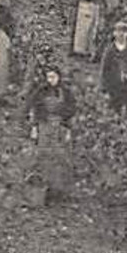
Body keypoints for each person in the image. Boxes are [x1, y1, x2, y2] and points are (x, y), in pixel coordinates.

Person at [26, 66, 78, 202]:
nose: (51, 80)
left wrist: (67, 129)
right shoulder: (41, 92)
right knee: (43, 156)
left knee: (60, 157)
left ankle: (60, 191)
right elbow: (35, 109)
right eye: (48, 77)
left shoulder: (66, 92)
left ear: (59, 77)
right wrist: (34, 128)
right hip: (44, 126)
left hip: (60, 126)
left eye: (53, 77)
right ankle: (44, 190)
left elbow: (71, 110)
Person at [100, 20, 127, 140]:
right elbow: (104, 70)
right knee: (114, 112)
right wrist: (104, 88)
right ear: (114, 33)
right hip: (114, 86)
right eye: (118, 31)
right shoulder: (109, 51)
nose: (121, 34)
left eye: (124, 32)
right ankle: (115, 139)